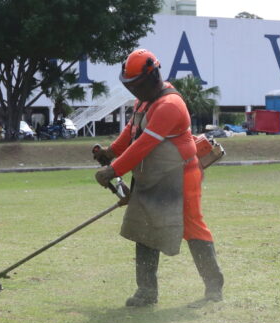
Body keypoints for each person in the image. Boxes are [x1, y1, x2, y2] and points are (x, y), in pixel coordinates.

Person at [93, 49, 223, 307]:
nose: (133, 91)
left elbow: (143, 145)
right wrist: (110, 152)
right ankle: (146, 292)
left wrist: (113, 170)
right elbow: (132, 131)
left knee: (192, 227)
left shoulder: (169, 106)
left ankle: (214, 289)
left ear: (151, 78)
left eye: (136, 85)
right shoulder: (145, 102)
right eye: (129, 86)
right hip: (154, 177)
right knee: (144, 229)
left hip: (182, 175)